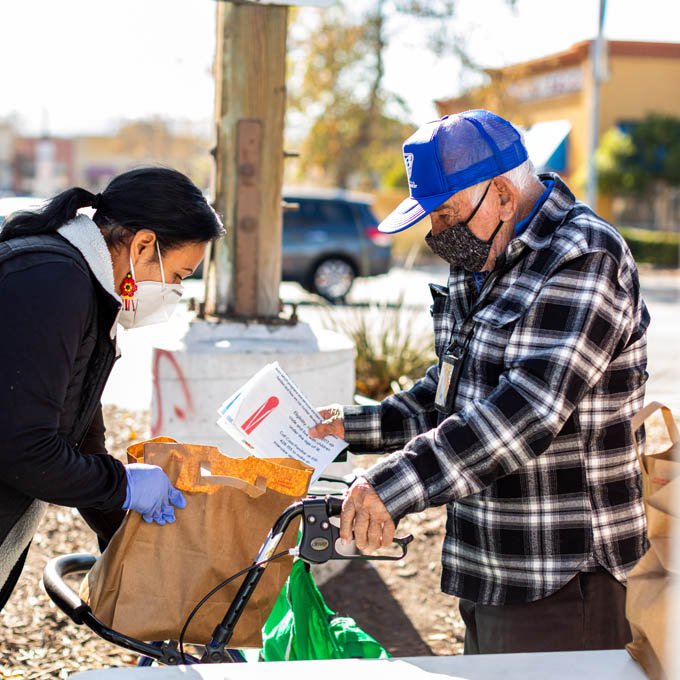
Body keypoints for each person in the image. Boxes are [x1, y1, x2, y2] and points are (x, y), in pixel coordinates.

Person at [311, 110, 649, 654]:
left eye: (444, 214)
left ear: (500, 195)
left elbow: (524, 411)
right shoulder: (483, 250)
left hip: (561, 578)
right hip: (490, 563)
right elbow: (449, 394)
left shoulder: (585, 256)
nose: (437, 235)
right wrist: (344, 427)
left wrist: (390, 485)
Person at [0, 167, 224, 612]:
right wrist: (124, 486)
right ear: (143, 244)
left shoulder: (86, 291)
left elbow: (79, 433)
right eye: (178, 275)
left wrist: (127, 534)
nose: (176, 290)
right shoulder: (52, 282)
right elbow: (24, 449)